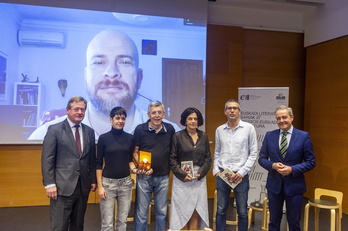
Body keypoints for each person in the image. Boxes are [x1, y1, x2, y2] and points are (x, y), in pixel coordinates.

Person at [29, 29, 180, 140]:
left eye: (124, 62)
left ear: (139, 78)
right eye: (99, 62)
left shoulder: (172, 134)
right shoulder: (43, 137)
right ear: (86, 77)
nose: (111, 72)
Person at [41, 96, 96, 231]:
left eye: (82, 109)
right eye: (76, 109)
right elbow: (47, 158)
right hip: (62, 187)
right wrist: (49, 184)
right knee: (60, 226)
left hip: (83, 187)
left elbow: (91, 159)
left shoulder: (89, 131)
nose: (79, 112)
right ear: (67, 110)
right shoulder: (54, 130)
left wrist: (93, 180)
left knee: (78, 225)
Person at [258, 105, 315, 231]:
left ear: (292, 117)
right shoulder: (269, 136)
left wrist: (292, 169)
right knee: (273, 222)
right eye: (278, 118)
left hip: (294, 186)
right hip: (274, 186)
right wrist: (272, 165)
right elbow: (261, 159)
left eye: (284, 117)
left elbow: (311, 162)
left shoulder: (303, 136)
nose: (281, 121)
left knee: (294, 222)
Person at [213, 99, 258, 231]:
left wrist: (242, 172)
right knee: (221, 210)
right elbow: (217, 152)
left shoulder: (249, 128)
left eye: (235, 108)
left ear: (240, 111)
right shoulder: (219, 130)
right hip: (223, 174)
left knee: (242, 211)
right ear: (225, 111)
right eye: (229, 108)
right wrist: (216, 170)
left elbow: (254, 153)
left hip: (240, 176)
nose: (232, 110)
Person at [132, 101, 175, 231]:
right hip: (144, 177)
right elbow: (135, 152)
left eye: (159, 112)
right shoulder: (140, 129)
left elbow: (173, 151)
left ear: (164, 114)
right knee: (141, 213)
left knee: (161, 213)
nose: (157, 115)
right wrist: (142, 166)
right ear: (148, 114)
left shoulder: (170, 129)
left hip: (163, 176)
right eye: (154, 112)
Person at [169, 107, 212, 230]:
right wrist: (182, 175)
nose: (193, 121)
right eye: (190, 119)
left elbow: (208, 158)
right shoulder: (177, 136)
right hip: (182, 178)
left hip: (198, 178)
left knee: (196, 209)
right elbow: (172, 159)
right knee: (181, 210)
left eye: (195, 119)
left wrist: (201, 173)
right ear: (185, 120)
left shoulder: (203, 136)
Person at [96, 106, 136, 231]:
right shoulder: (103, 138)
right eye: (117, 118)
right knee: (107, 223)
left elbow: (129, 160)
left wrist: (135, 169)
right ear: (111, 120)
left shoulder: (130, 138)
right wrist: (100, 186)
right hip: (108, 184)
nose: (120, 121)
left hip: (125, 183)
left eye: (123, 118)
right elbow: (98, 164)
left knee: (122, 221)